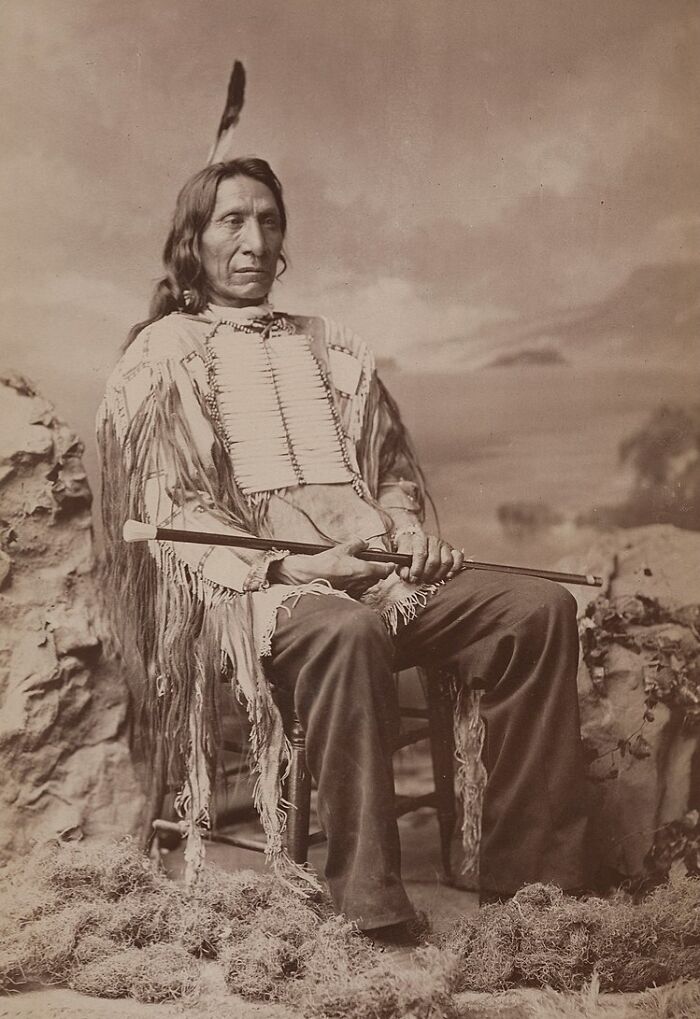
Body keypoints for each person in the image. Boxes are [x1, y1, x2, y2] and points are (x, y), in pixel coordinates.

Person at [98, 156, 589, 940]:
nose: (254, 239)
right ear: (194, 240)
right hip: (242, 594)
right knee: (344, 626)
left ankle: (531, 878)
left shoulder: (333, 345)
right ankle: (367, 902)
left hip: (373, 576)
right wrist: (299, 565)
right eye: (232, 221)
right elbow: (171, 512)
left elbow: (391, 473)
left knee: (538, 608)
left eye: (268, 220)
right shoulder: (162, 356)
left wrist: (408, 537)